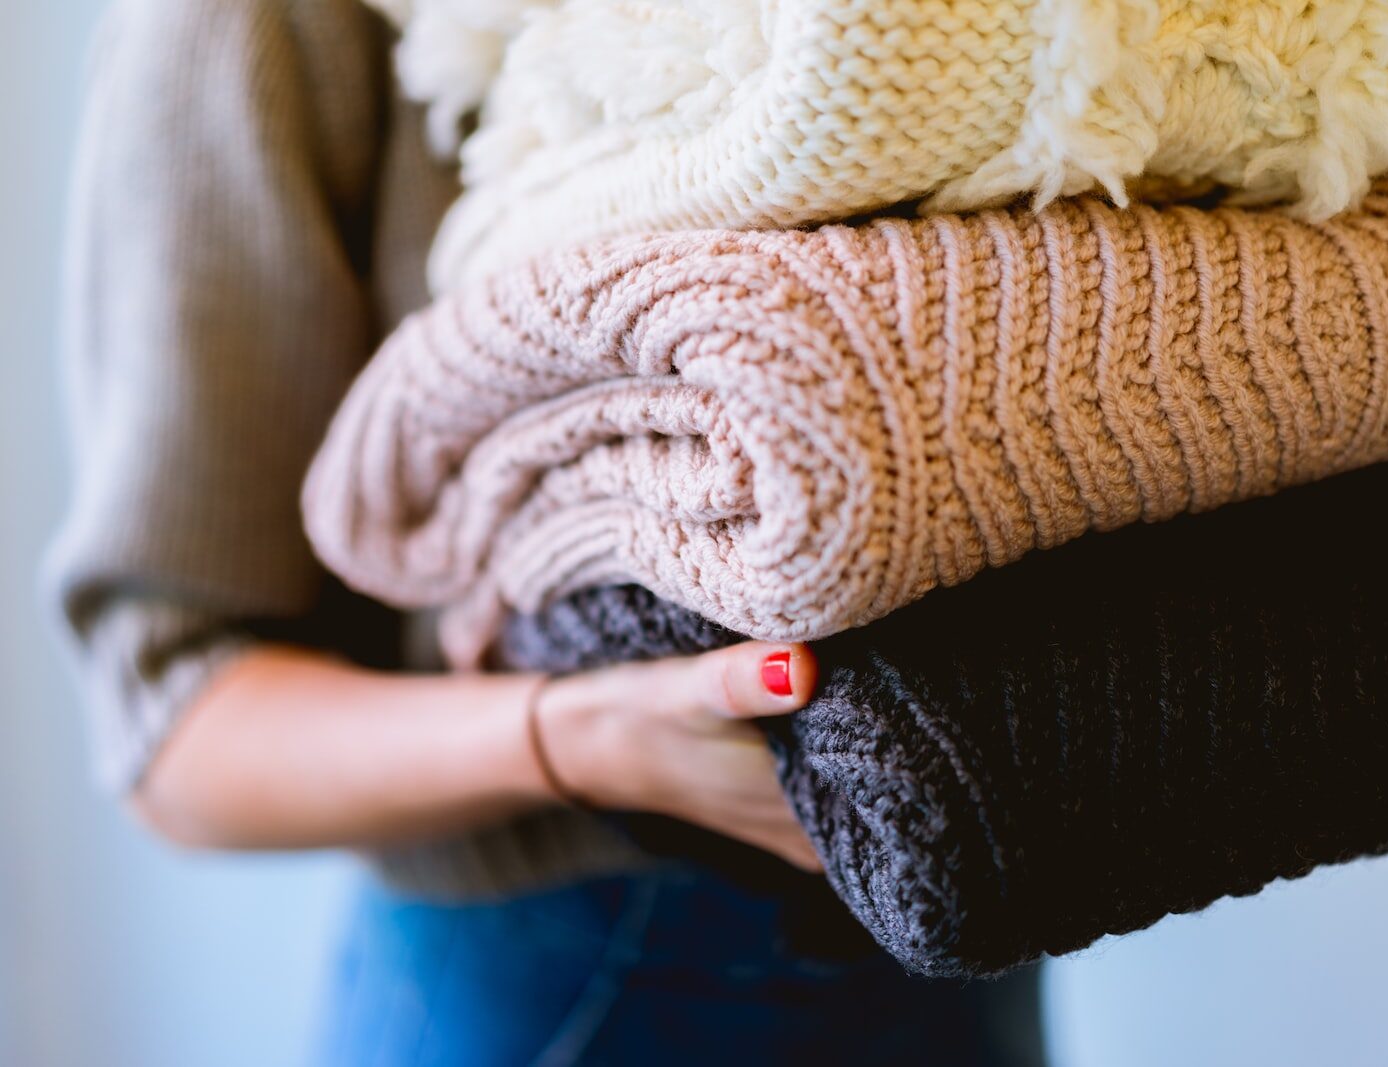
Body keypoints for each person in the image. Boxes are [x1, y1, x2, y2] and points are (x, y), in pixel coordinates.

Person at [47, 1, 1040, 1063]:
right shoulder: (252, 25)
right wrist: (574, 738)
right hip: (578, 964)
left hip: (971, 907)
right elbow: (176, 728)